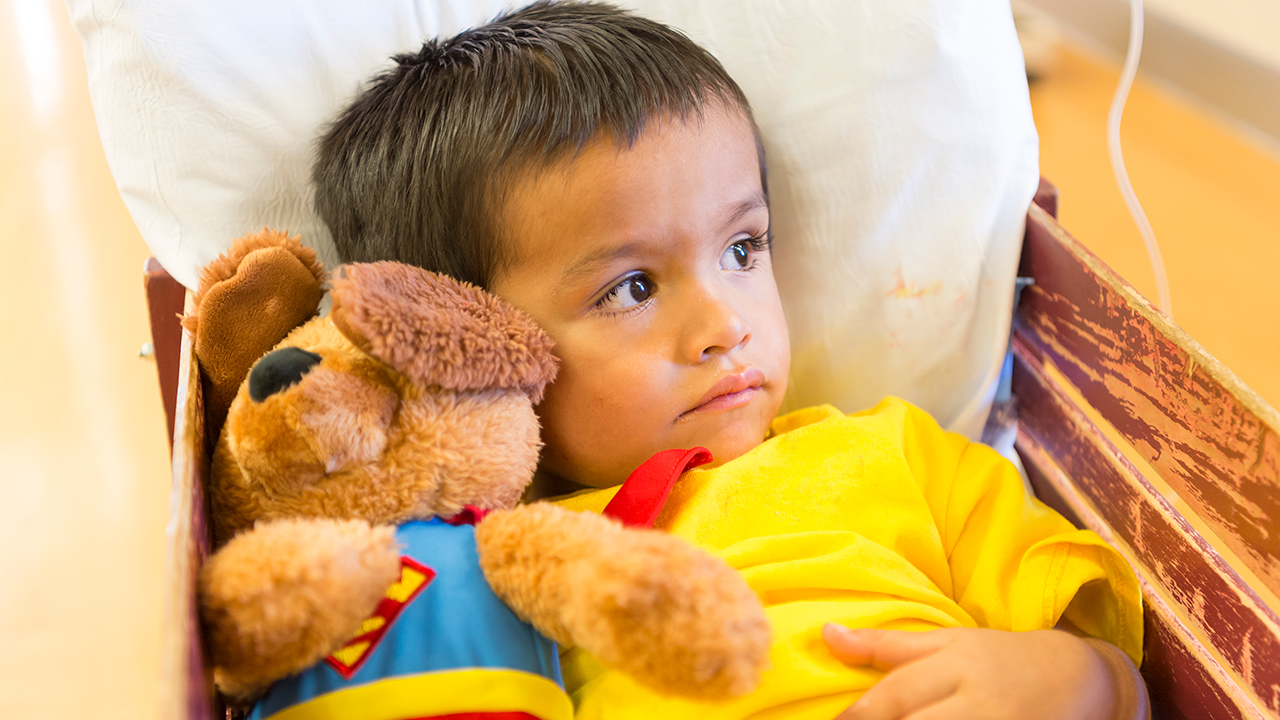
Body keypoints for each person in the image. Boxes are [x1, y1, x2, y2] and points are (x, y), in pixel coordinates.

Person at [312, 2, 1150, 719]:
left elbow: (1116, 668)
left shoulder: (892, 452)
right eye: (631, 288)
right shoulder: (496, 567)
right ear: (468, 342)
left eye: (743, 249)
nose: (725, 324)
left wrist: (1075, 680)